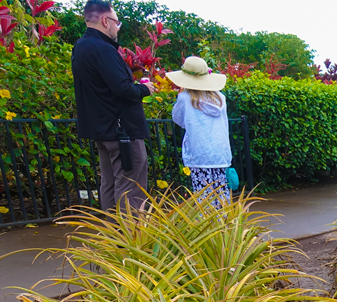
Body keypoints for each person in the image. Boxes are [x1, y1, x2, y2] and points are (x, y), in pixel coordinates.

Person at [72, 0, 156, 212]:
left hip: (103, 129)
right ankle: (131, 240)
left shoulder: (81, 47)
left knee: (110, 184)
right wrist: (145, 90)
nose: (117, 28)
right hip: (122, 131)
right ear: (105, 20)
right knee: (131, 186)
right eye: (117, 23)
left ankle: (113, 238)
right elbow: (123, 89)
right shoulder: (103, 49)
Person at [167, 57, 231, 209]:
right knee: (221, 193)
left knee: (203, 194)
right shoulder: (220, 98)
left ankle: (206, 226)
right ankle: (225, 224)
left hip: (199, 152)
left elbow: (178, 119)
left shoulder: (185, 98)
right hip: (220, 153)